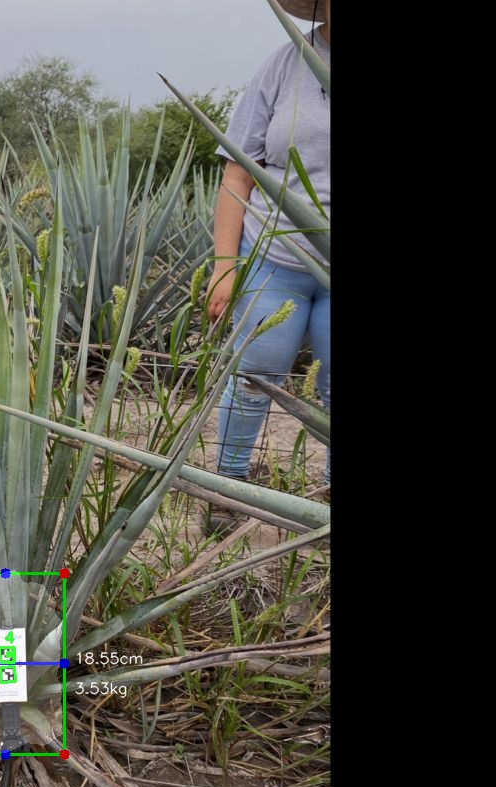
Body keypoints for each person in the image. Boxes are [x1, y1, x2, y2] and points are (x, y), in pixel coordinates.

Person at [206, 0, 330, 528]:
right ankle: (229, 494)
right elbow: (238, 172)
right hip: (275, 259)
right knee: (253, 377)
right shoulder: (283, 65)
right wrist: (225, 265)